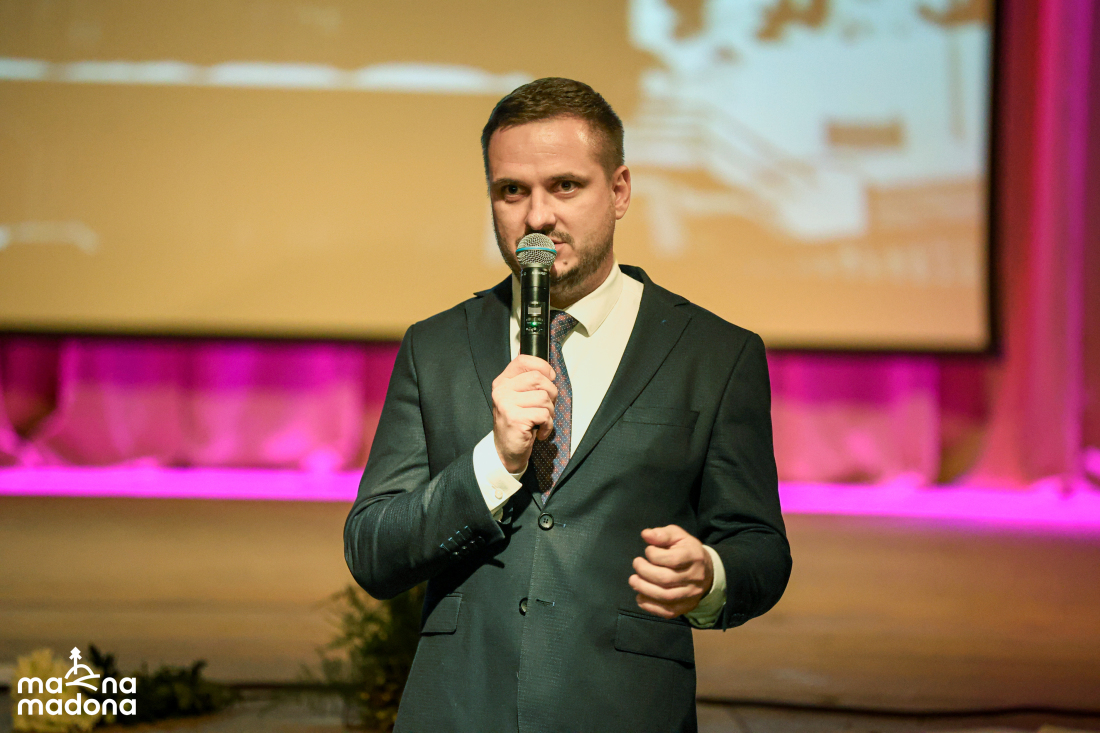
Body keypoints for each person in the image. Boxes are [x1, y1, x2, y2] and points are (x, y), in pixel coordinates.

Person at [344, 77, 791, 733]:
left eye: (565, 186)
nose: (537, 218)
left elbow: (761, 548)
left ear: (620, 191)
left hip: (625, 712)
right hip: (461, 711)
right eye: (511, 191)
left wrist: (710, 576)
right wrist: (493, 465)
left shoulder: (714, 353)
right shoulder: (435, 347)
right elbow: (373, 550)